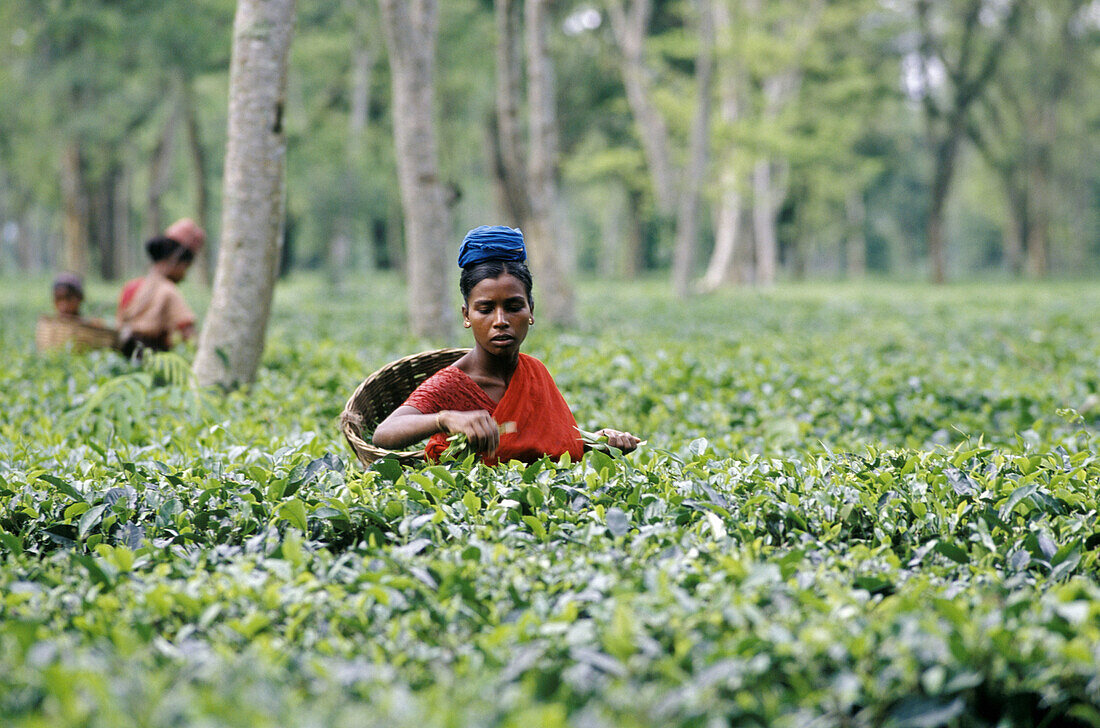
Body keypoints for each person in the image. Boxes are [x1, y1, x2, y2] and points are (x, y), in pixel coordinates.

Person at [373, 225, 640, 464]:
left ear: (531, 311)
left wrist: (598, 441)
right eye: (485, 309)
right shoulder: (453, 383)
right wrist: (445, 418)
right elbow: (383, 434)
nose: (500, 321)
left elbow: (554, 443)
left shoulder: (535, 372)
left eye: (513, 307)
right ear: (467, 316)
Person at [116, 218, 204, 356]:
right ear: (179, 263)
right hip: (154, 359)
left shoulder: (131, 287)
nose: (184, 275)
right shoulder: (168, 291)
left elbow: (119, 324)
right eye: (186, 268)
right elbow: (189, 334)